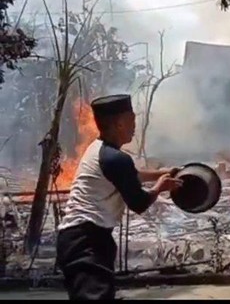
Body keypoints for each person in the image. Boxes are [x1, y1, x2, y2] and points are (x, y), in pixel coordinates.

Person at [55, 94, 183, 300]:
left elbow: (130, 176)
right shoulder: (115, 159)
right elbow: (139, 202)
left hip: (81, 238)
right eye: (132, 119)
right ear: (120, 123)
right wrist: (160, 187)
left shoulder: (100, 151)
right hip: (85, 240)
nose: (135, 125)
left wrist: (163, 173)